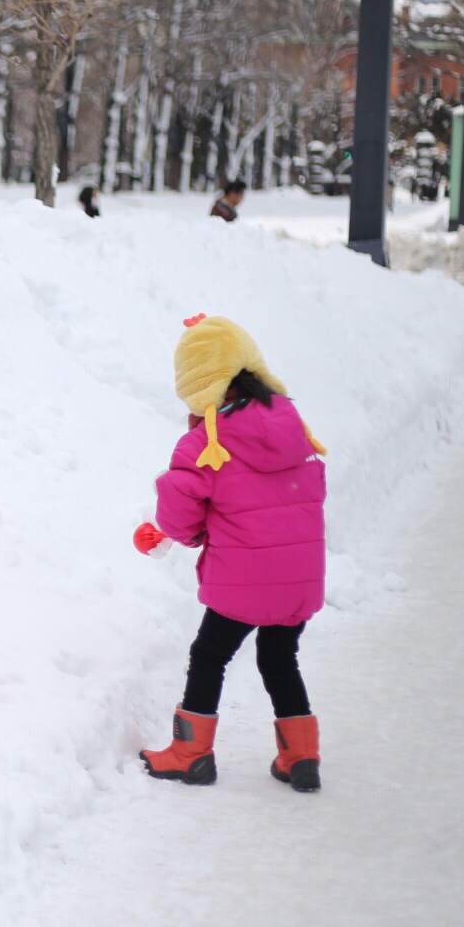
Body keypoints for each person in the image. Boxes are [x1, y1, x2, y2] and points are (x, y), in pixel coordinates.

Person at [133, 314, 329, 792]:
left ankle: (190, 754)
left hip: (241, 578)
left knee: (208, 656)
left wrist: (191, 534)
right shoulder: (291, 423)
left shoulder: (207, 440)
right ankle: (301, 757)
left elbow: (178, 501)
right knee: (279, 658)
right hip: (300, 577)